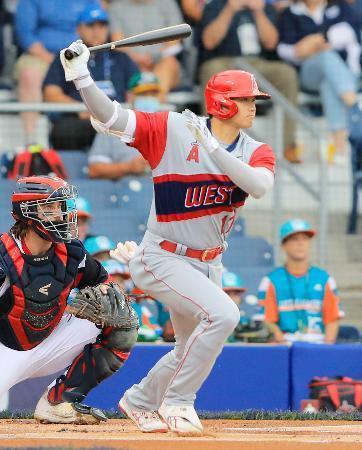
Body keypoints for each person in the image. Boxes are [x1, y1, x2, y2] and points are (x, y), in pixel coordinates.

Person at [60, 38, 275, 434]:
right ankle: (177, 401)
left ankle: (140, 400)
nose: (253, 106)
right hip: (163, 255)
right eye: (246, 99)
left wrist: (215, 149)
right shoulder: (174, 127)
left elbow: (259, 187)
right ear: (224, 103)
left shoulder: (256, 150)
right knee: (225, 314)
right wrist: (82, 76)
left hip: (209, 261)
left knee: (188, 347)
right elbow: (111, 117)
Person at [0, 175, 138, 423]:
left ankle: (58, 401)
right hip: (6, 351)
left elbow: (104, 284)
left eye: (61, 207)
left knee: (120, 316)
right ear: (27, 212)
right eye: (50, 208)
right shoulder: (3, 258)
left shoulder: (72, 251)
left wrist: (102, 295)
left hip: (52, 342)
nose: (61, 215)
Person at [198, 0, 300, 162]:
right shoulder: (215, 6)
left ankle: (287, 145)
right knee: (212, 71)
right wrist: (230, 8)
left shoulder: (265, 8)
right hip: (225, 62)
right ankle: (213, 143)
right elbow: (209, 42)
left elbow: (271, 43)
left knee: (286, 74)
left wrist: (259, 12)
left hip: (256, 64)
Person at [42, 3, 139, 150]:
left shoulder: (121, 58)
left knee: (136, 126)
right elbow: (50, 93)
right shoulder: (66, 57)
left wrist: (122, 112)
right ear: (79, 29)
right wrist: (81, 109)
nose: (96, 31)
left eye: (101, 26)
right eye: (90, 25)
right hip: (83, 122)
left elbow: (138, 89)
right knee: (61, 131)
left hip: (117, 121)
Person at [277, 0, 360, 162]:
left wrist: (318, 41)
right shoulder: (290, 13)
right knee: (326, 57)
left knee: (328, 82)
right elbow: (284, 49)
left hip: (339, 74)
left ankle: (339, 144)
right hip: (308, 73)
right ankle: (353, 105)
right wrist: (301, 50)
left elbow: (351, 34)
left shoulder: (338, 6)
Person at [14, 0, 92, 144]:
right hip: (41, 56)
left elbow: (96, 24)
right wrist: (54, 60)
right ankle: (32, 142)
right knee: (29, 74)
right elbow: (25, 34)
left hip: (81, 54)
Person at [258, 219, 344, 344]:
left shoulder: (324, 278)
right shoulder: (271, 280)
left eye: (304, 238)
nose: (300, 243)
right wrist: (285, 347)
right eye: (294, 239)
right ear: (283, 245)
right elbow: (268, 321)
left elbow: (332, 320)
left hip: (318, 344)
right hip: (285, 346)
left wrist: (326, 350)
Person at [87, 72, 162, 180]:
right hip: (127, 191)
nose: (149, 99)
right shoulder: (111, 126)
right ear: (130, 97)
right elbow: (94, 170)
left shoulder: (173, 127)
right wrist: (129, 167)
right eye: (143, 94)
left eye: (153, 94)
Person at [108, 0, 183, 101]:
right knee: (129, 70)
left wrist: (154, 57)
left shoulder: (168, 3)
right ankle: (151, 110)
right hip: (131, 64)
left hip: (161, 62)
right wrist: (139, 59)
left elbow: (175, 40)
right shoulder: (116, 6)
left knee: (169, 63)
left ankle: (153, 111)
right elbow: (117, 43)